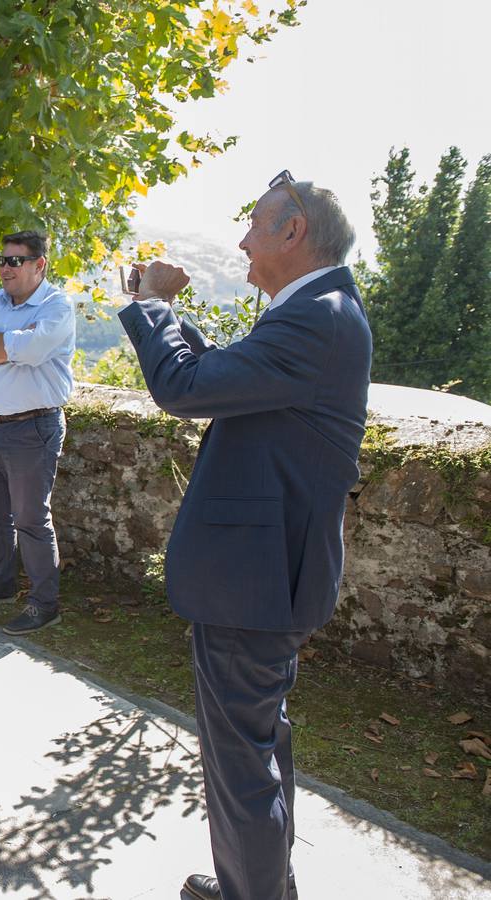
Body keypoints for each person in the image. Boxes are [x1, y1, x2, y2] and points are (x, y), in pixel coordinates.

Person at [118, 175, 371, 900]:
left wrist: (152, 305)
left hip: (253, 582)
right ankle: (260, 886)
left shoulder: (316, 317)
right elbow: (225, 377)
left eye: (255, 225)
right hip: (265, 577)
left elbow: (184, 389)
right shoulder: (318, 313)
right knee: (257, 752)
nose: (242, 241)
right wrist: (165, 314)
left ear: (294, 232)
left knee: (239, 768)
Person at [0, 230, 75, 636]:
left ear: (39, 265)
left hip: (32, 428)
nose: (4, 267)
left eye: (14, 261)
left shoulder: (56, 306)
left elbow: (35, 352)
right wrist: (6, 346)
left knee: (31, 518)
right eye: (2, 260)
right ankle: (0, 583)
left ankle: (44, 603)